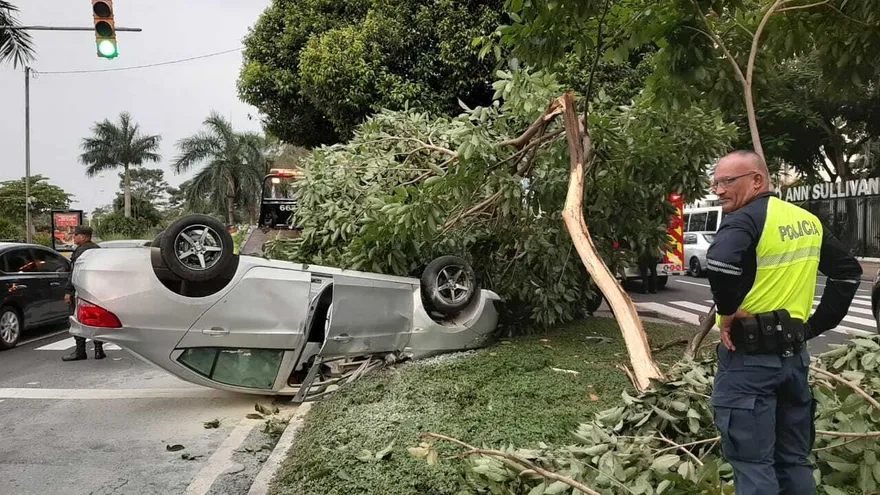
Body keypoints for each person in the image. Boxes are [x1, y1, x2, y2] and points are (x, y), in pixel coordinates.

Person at [705, 150, 861, 494]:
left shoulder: (745, 218)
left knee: (752, 463)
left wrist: (728, 313)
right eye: (715, 182)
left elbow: (720, 264)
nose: (718, 190)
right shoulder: (806, 220)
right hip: (793, 360)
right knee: (793, 460)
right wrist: (813, 327)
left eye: (727, 181)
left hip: (749, 362)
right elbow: (848, 274)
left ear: (756, 180)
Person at [62, 226, 106, 361]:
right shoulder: (97, 250)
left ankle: (80, 351)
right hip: (95, 290)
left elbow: (74, 273)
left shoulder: (80, 251)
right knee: (95, 319)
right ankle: (99, 350)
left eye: (76, 235)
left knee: (77, 319)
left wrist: (68, 291)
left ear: (84, 237)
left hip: (80, 290)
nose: (74, 237)